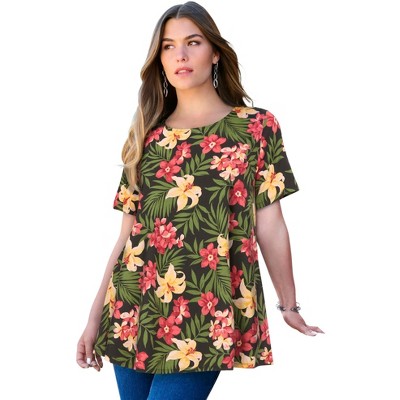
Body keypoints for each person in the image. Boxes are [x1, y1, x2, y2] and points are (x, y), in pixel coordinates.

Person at [76, 1, 324, 399]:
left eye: (193, 42)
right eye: (168, 46)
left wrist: (289, 305)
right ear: (160, 60)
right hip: (132, 308)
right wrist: (93, 319)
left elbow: (270, 223)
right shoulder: (147, 136)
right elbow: (126, 237)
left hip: (206, 313)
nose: (181, 54)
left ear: (215, 53)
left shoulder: (255, 127)